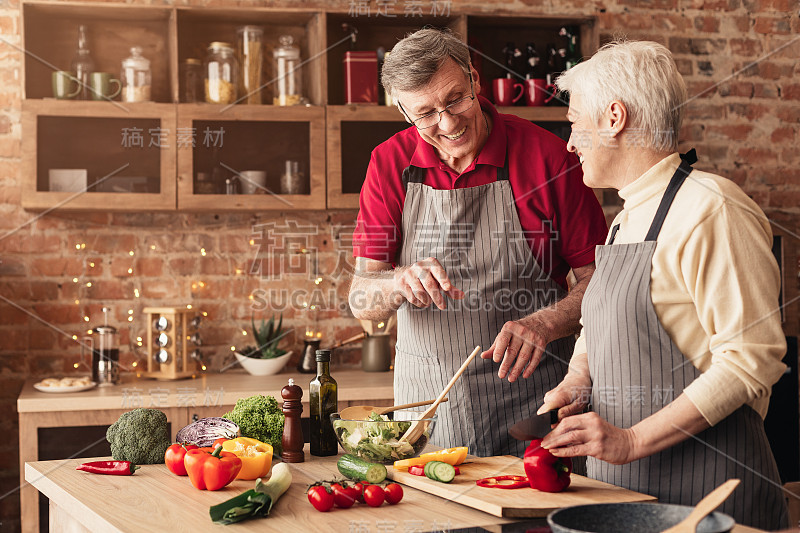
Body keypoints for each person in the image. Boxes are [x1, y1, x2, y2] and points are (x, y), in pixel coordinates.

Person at [536, 40, 789, 528]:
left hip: (712, 489)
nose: (569, 143)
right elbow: (596, 326)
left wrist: (631, 441)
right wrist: (577, 380)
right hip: (623, 490)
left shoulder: (711, 209)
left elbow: (751, 358)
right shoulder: (626, 217)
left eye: (573, 124)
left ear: (614, 118)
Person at [348, 29, 607, 457]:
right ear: (401, 110)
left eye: (455, 100)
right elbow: (361, 298)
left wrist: (547, 323)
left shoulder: (550, 159)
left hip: (536, 411)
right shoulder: (388, 163)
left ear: (474, 79)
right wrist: (396, 283)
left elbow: (600, 284)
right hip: (430, 414)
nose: (448, 123)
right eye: (426, 114)